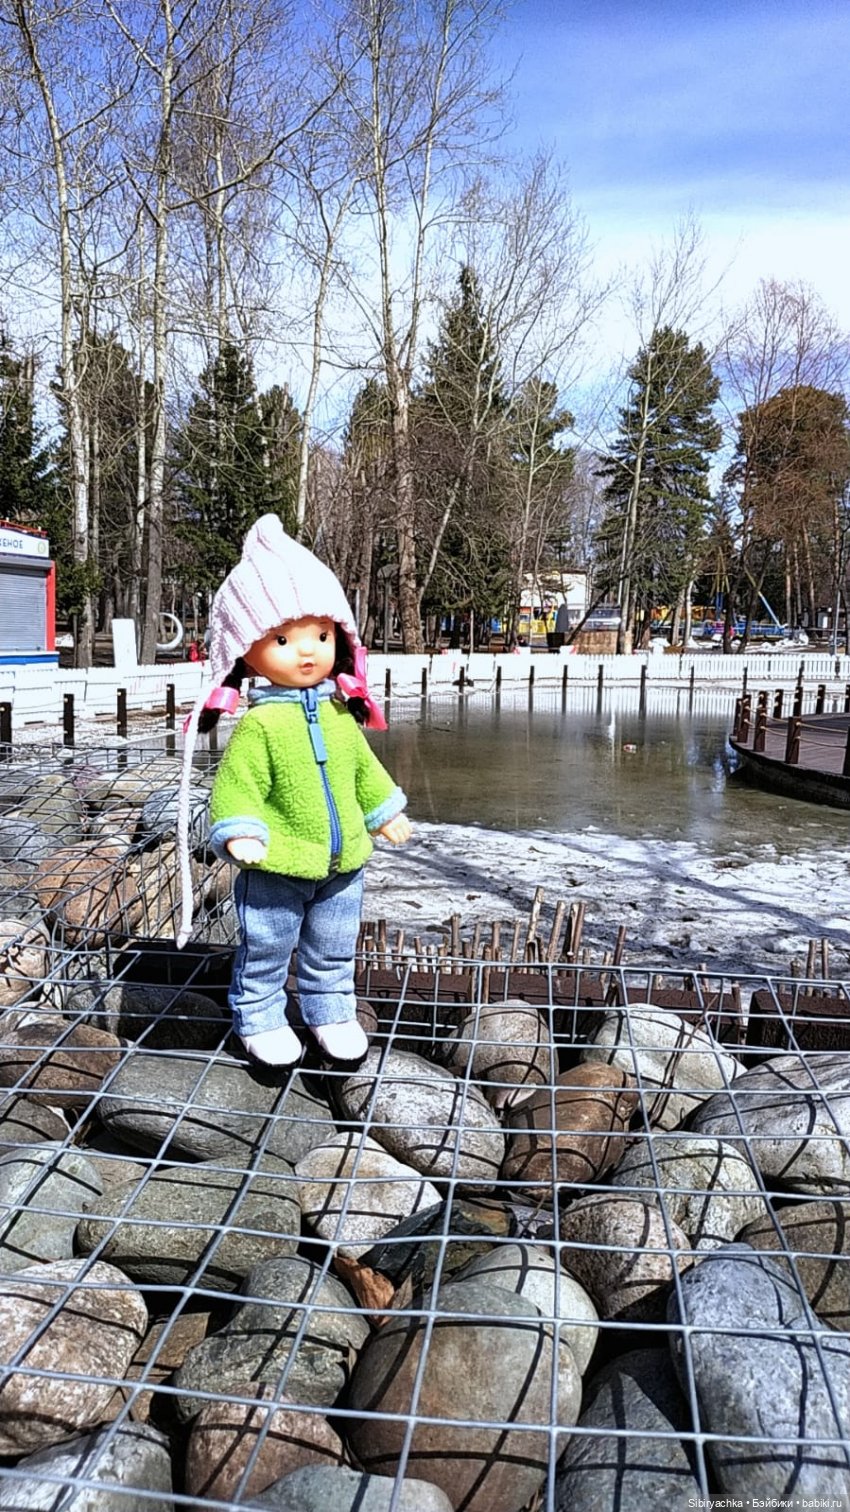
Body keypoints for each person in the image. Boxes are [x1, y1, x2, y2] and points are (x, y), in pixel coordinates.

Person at [175, 514, 411, 1068]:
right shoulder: (260, 727)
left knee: (333, 946)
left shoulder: (338, 714)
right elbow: (238, 787)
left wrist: (383, 810)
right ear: (246, 649)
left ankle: (330, 1012)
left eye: (322, 636)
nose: (308, 652)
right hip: (278, 864)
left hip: (343, 860)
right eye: (284, 639)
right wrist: (239, 831)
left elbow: (363, 769)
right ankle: (258, 1016)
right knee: (267, 947)